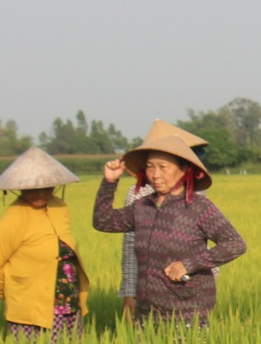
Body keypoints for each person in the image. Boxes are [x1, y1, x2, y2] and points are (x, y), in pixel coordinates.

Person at [92, 129, 246, 327]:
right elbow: (103, 221)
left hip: (188, 313)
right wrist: (109, 182)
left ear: (184, 170)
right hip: (147, 313)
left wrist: (188, 264)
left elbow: (235, 244)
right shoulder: (142, 207)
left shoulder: (199, 208)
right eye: (150, 167)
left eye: (163, 167)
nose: (155, 175)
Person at [0, 148, 86, 341]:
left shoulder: (59, 207)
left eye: (46, 187)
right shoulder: (13, 218)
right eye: (32, 188)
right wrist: (11, 293)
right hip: (30, 309)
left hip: (68, 301)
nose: (40, 193)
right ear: (19, 187)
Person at [120, 119, 210, 323]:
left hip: (192, 286)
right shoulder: (139, 195)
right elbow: (131, 247)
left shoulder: (196, 193)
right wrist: (129, 292)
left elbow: (205, 243)